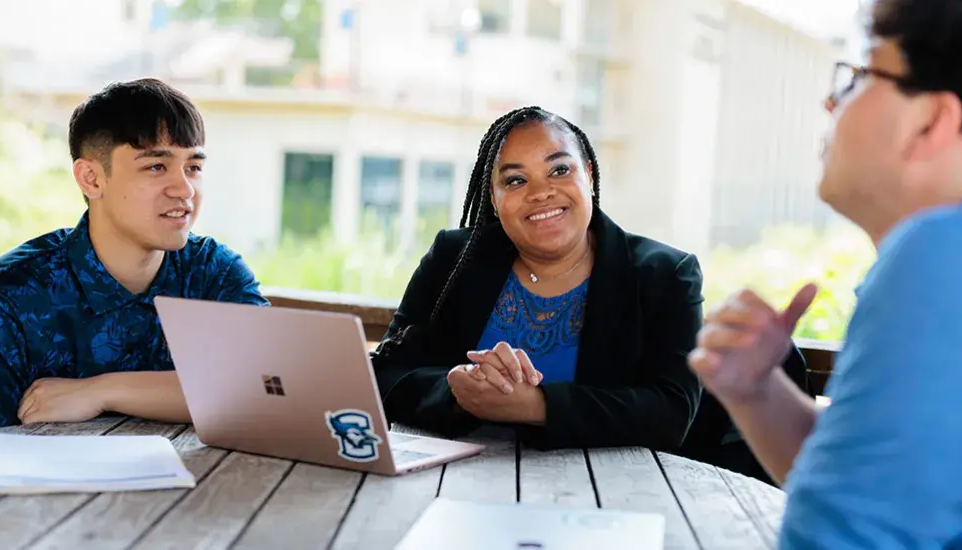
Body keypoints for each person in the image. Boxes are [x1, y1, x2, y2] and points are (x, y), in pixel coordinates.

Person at [689, 0, 962, 546]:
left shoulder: (934, 255)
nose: (830, 101)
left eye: (859, 75)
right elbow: (877, 489)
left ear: (930, 121)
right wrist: (756, 391)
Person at [371, 105, 706, 452]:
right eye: (516, 180)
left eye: (559, 170)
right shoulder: (454, 258)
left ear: (589, 176)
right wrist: (456, 393)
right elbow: (384, 373)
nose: (541, 192)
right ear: (494, 198)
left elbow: (672, 413)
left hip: (607, 482)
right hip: (451, 476)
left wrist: (538, 406)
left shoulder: (665, 274)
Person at [0, 78, 269, 432]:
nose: (184, 189)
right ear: (91, 179)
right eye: (156, 167)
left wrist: (103, 391)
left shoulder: (214, 273)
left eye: (193, 167)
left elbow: (268, 388)